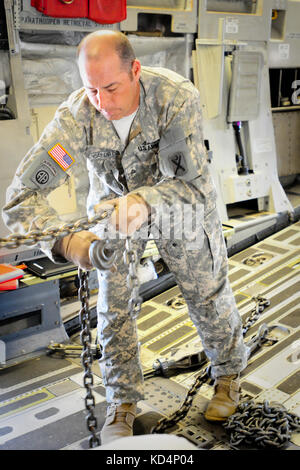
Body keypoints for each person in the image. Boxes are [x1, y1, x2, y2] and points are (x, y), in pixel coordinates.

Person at [3, 30, 248, 445]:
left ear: (134, 70)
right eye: (91, 89)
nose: (102, 102)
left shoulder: (175, 97)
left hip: (177, 204)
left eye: (111, 87)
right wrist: (67, 244)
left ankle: (227, 375)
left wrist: (144, 202)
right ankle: (122, 401)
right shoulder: (78, 113)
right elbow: (20, 199)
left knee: (207, 292)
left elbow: (192, 185)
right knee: (113, 307)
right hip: (113, 213)